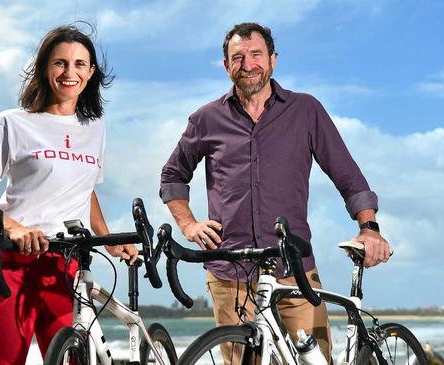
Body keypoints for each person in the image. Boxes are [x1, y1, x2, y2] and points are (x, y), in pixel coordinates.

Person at [160, 22, 391, 363]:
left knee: (317, 360)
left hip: (294, 270)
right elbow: (172, 176)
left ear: (272, 60)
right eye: (237, 57)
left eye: (256, 54)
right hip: (230, 272)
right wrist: (189, 224)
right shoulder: (206, 119)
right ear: (226, 66)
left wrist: (368, 227)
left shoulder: (306, 110)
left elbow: (347, 174)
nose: (248, 64)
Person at [0, 24, 138, 365]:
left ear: (90, 73)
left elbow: (83, 190)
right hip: (9, 265)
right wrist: (15, 228)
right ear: (45, 68)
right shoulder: (12, 123)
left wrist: (107, 237)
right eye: (60, 63)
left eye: (79, 64)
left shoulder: (95, 129)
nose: (69, 72)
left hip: (65, 268)